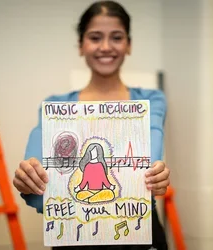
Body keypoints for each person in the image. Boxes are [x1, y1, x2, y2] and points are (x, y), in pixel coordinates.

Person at [13, 1, 170, 249]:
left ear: (128, 45)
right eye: (95, 37)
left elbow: (145, 170)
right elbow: (39, 198)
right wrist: (29, 179)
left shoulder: (150, 100)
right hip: (74, 234)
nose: (105, 47)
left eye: (116, 37)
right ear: (80, 45)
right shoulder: (55, 106)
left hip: (139, 234)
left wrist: (155, 176)